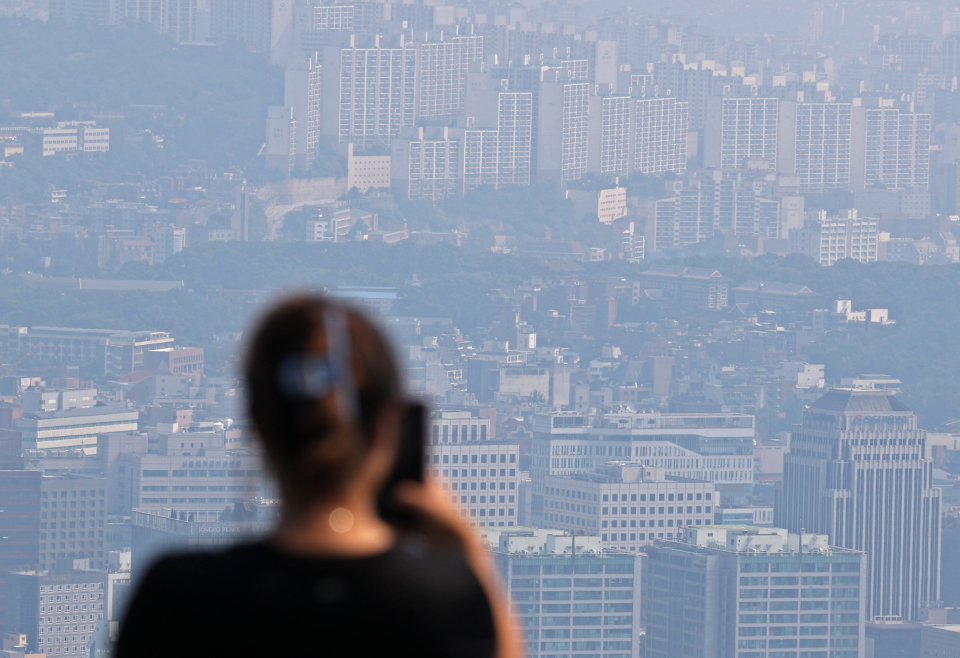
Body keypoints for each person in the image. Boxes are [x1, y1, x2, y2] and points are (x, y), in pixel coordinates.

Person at [117, 297, 518, 658]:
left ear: (257, 426)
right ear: (387, 430)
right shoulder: (441, 600)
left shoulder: (180, 598)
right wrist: (470, 552)